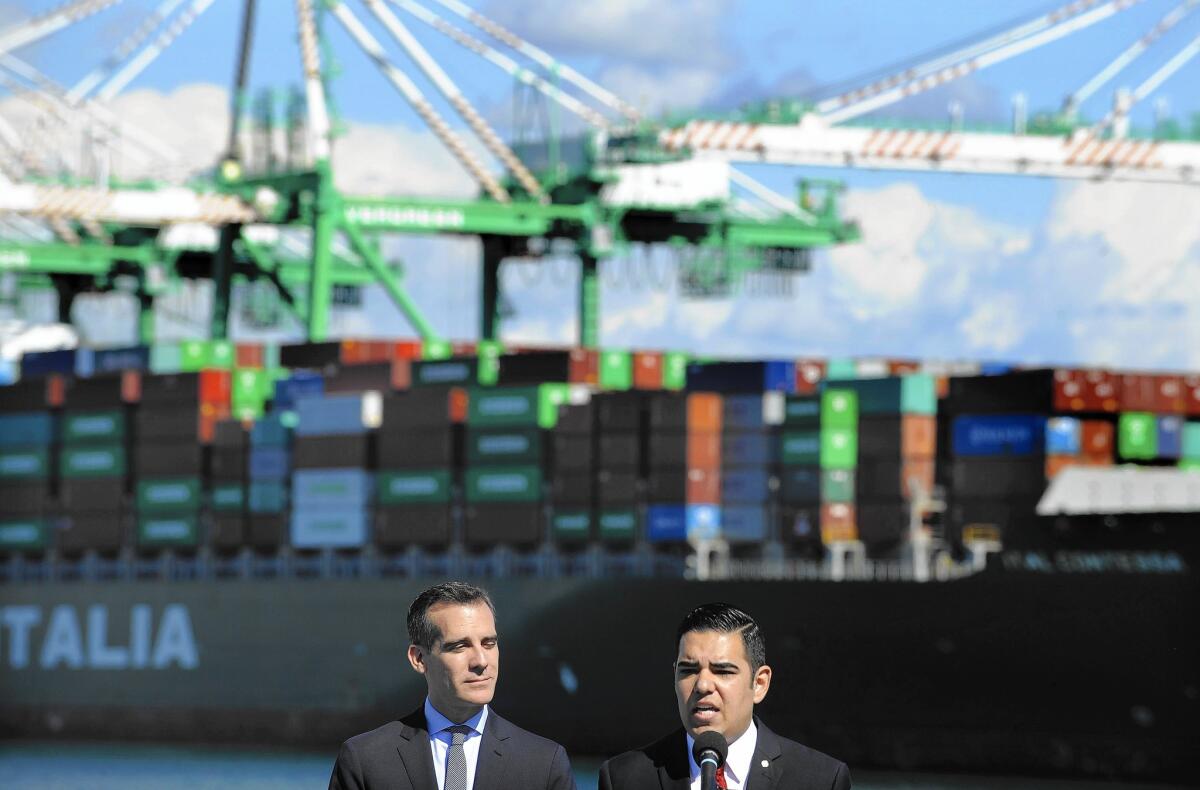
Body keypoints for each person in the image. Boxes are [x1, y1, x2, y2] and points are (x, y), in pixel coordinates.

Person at [329, 581, 577, 790]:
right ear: (418, 658)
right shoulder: (364, 760)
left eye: (489, 644)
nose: (481, 661)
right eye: (460, 646)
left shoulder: (545, 764)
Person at [599, 602, 850, 790]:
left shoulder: (821, 780)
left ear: (760, 683)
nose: (703, 685)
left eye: (722, 671)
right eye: (689, 670)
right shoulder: (623, 778)